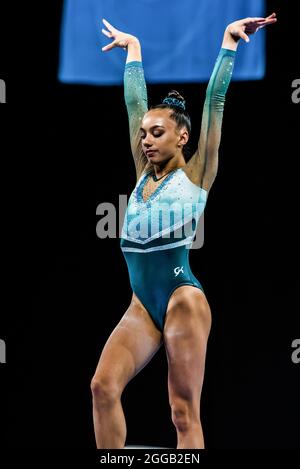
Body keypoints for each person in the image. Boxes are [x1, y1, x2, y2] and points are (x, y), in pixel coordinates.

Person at [91, 13, 277, 449]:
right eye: (143, 135)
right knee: (102, 388)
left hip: (182, 301)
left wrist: (229, 43)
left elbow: (215, 101)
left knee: (181, 412)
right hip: (142, 305)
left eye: (157, 133)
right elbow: (135, 104)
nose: (146, 141)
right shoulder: (143, 171)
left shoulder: (197, 173)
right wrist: (133, 50)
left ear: (183, 137)